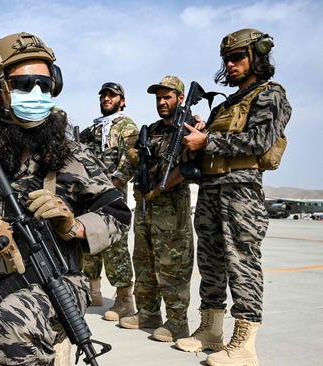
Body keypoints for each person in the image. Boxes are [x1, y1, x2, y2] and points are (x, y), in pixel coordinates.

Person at [0, 32, 131, 365]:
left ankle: (56, 344)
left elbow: (117, 214)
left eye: (45, 84)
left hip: (58, 286)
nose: (38, 93)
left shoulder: (74, 155)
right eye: (25, 84)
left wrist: (75, 226)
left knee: (14, 327)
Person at [176, 29, 291, 366]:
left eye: (238, 57)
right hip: (211, 189)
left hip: (241, 192)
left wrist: (207, 141)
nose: (230, 64)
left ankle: (244, 344)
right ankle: (210, 331)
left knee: (242, 264)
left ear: (257, 55)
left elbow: (259, 141)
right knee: (210, 263)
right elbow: (206, 142)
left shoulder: (271, 95)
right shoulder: (226, 104)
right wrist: (198, 134)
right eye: (226, 59)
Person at [116, 76, 197, 342]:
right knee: (144, 262)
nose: (162, 102)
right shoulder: (151, 131)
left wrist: (161, 188)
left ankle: (177, 323)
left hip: (172, 211)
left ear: (180, 98)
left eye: (167, 97)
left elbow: (189, 168)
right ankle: (149, 313)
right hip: (145, 208)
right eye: (158, 98)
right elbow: (133, 162)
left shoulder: (189, 129)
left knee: (173, 266)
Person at [79, 82, 138, 321]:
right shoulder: (91, 130)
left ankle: (125, 299)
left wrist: (115, 182)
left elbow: (131, 159)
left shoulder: (127, 126)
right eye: (103, 95)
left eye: (112, 95)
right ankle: (93, 292)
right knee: (89, 240)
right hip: (90, 195)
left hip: (112, 193)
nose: (106, 98)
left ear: (121, 101)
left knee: (115, 244)